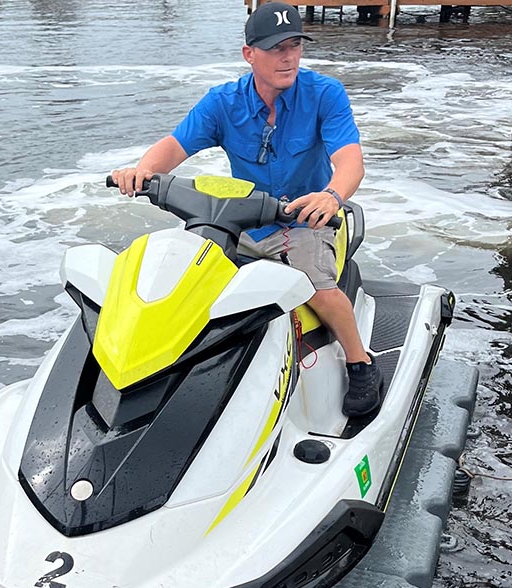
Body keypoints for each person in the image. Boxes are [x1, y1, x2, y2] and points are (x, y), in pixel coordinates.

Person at [111, 2, 382, 417]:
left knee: (320, 292)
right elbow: (174, 146)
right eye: (276, 48)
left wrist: (331, 196)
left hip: (305, 218)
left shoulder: (325, 93)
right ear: (249, 54)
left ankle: (360, 361)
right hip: (242, 221)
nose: (288, 56)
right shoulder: (223, 102)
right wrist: (141, 171)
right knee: (185, 281)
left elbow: (350, 161)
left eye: (294, 45)